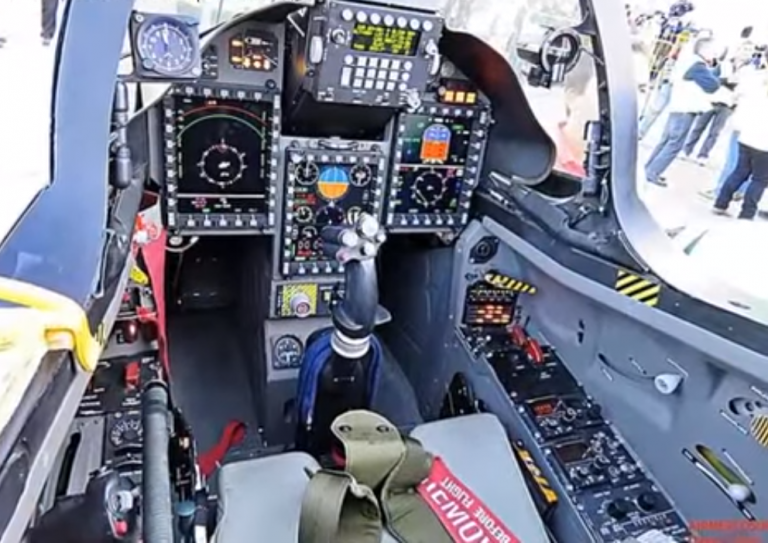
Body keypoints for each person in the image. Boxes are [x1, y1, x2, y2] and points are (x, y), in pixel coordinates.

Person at [644, 36, 722, 186]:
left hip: (678, 107)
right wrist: (717, 70)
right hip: (686, 109)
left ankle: (649, 169)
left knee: (666, 141)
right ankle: (653, 172)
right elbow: (713, 86)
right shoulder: (698, 66)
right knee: (675, 144)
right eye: (713, 50)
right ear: (704, 50)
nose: (715, 54)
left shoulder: (689, 62)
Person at [713, 67, 768, 219]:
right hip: (764, 143)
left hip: (747, 135)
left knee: (739, 172)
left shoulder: (756, 80)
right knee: (759, 180)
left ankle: (720, 203)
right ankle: (747, 213)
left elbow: (737, 96)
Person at [682, 59, 736, 166]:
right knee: (699, 126)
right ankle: (687, 150)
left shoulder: (747, 71)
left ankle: (703, 155)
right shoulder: (725, 65)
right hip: (712, 100)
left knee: (715, 132)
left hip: (727, 105)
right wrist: (726, 81)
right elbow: (711, 77)